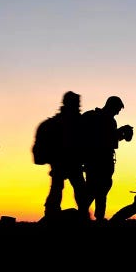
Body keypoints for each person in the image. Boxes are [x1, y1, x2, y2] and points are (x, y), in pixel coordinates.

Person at [81, 96, 133, 222]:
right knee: (94, 188)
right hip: (95, 160)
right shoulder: (95, 118)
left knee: (102, 188)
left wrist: (122, 134)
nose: (118, 112)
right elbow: (100, 139)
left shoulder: (110, 121)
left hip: (106, 160)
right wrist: (119, 132)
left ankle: (97, 216)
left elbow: (111, 140)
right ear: (111, 106)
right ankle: (82, 214)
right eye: (117, 109)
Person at [41, 91, 89, 219]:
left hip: (69, 162)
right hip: (66, 162)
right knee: (68, 190)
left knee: (64, 189)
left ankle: (52, 215)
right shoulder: (73, 121)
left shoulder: (71, 121)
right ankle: (52, 215)